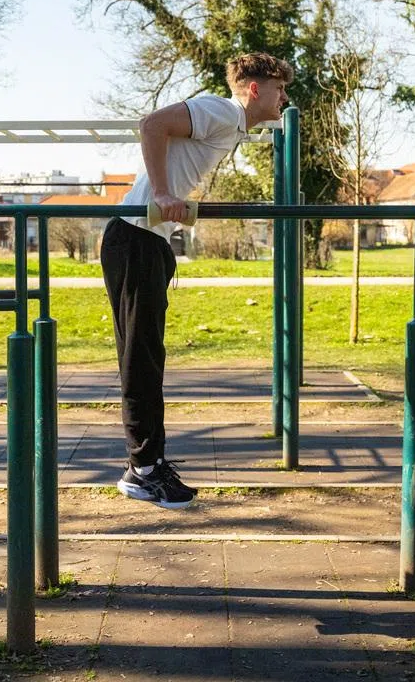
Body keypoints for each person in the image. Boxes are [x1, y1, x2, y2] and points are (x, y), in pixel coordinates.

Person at [101, 52, 293, 509]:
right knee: (141, 357)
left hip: (149, 240)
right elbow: (151, 124)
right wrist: (164, 194)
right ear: (253, 89)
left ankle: (149, 462)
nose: (284, 97)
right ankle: (142, 470)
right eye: (279, 88)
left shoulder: (231, 125)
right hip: (135, 237)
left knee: (150, 354)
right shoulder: (223, 110)